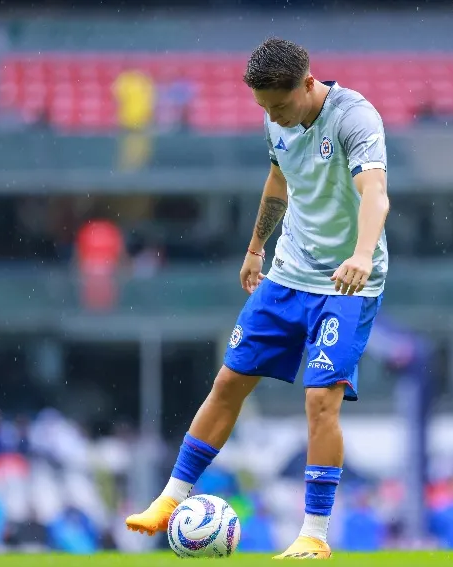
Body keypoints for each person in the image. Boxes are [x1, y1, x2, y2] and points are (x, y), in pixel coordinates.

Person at [125, 37, 390, 560]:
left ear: (309, 84)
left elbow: (375, 191)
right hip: (286, 275)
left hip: (344, 282)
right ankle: (169, 500)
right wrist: (254, 249)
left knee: (320, 399)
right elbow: (277, 181)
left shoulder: (355, 118)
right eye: (265, 108)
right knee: (229, 381)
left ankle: (314, 533)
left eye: (281, 105)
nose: (275, 117)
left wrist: (361, 254)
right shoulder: (276, 118)